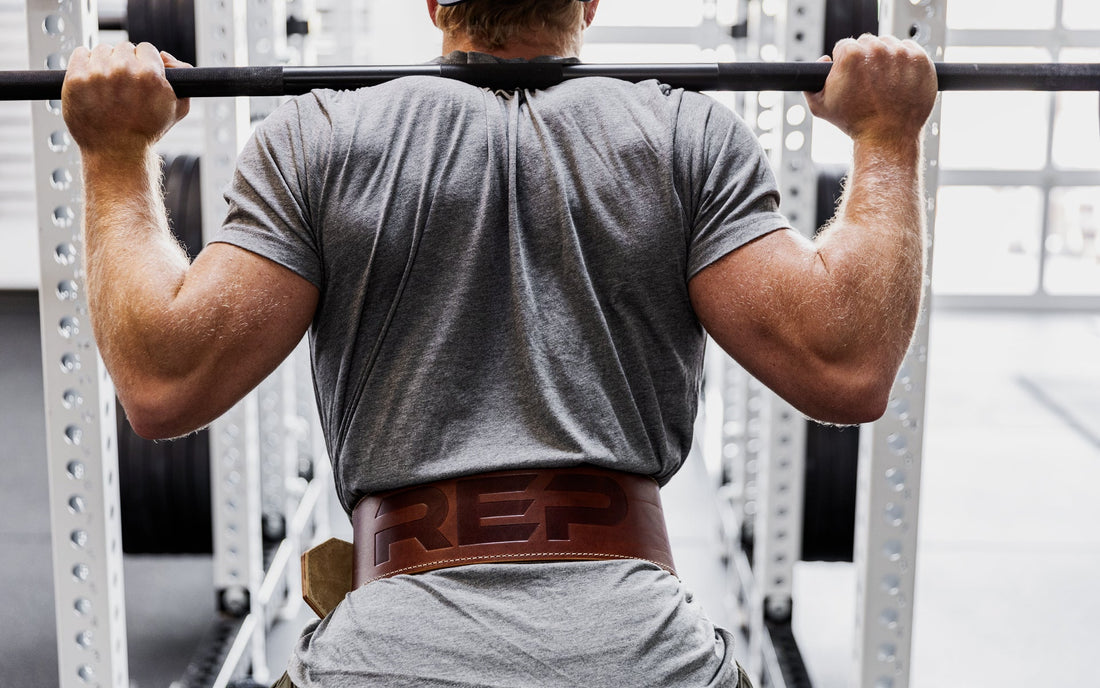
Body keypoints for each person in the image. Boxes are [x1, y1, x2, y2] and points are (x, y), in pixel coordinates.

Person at [60, 0, 937, 685]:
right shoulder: (688, 139)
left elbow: (162, 383)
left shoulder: (317, 139)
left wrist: (114, 152)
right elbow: (849, 367)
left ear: (437, 2)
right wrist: (888, 136)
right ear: (588, 4)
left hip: (381, 659)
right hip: (642, 659)